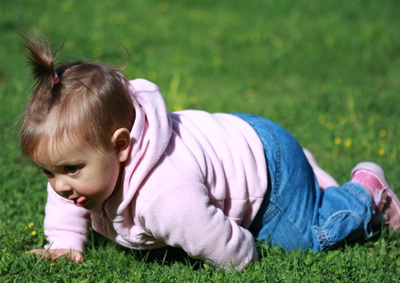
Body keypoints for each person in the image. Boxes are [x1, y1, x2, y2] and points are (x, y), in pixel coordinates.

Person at [20, 34, 400, 271]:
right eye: (48, 172)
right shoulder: (78, 174)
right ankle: (310, 171)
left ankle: (366, 193)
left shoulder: (166, 198)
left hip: (268, 173)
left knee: (307, 237)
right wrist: (65, 243)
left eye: (69, 169)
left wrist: (244, 263)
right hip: (235, 134)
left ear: (121, 145)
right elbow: (66, 201)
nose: (59, 186)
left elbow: (229, 248)